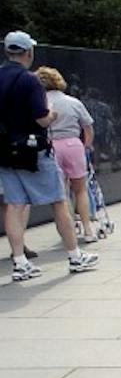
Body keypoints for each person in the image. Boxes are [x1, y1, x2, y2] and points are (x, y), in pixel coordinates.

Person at [1, 32, 98, 279]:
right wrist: (52, 114)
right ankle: (74, 255)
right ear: (28, 52)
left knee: (14, 205)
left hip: (5, 150)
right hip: (34, 149)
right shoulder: (30, 80)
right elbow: (41, 119)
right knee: (58, 201)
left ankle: (20, 261)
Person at [35, 66, 98, 242]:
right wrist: (87, 145)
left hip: (51, 146)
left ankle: (68, 230)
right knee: (80, 189)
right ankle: (87, 229)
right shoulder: (73, 102)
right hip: (73, 144)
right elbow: (88, 127)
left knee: (60, 193)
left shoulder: (39, 102)